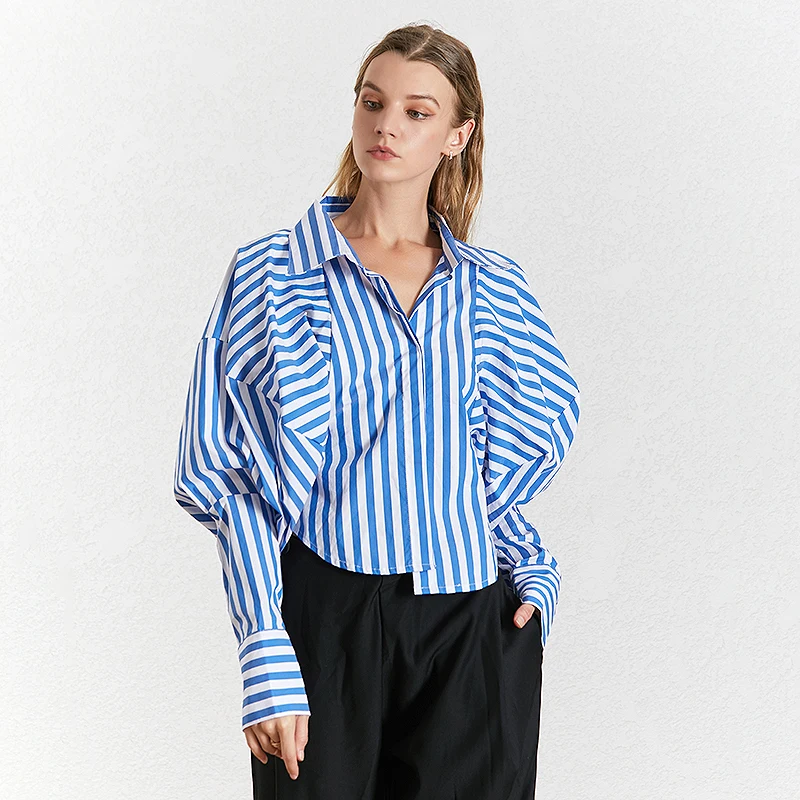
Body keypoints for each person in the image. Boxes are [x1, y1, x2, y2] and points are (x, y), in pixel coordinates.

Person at [173, 22, 580, 800]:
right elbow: (224, 476)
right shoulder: (271, 273)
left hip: (472, 618)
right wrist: (263, 641)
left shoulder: (494, 287)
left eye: (417, 112)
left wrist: (529, 566)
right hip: (324, 615)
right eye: (373, 101)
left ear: (458, 135)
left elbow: (509, 457)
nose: (386, 125)